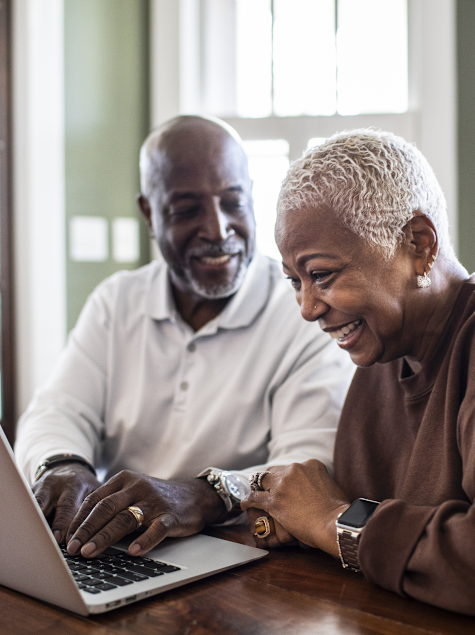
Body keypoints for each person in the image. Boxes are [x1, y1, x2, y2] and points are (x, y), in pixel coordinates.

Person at [15, 116, 353, 560]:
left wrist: (207, 494)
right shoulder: (117, 302)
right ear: (149, 215)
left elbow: (309, 468)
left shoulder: (304, 310)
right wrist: (63, 464)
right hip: (114, 551)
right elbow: (56, 412)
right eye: (187, 210)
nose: (217, 230)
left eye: (233, 202)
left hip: (241, 560)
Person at [242, 128, 475, 615]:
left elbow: (345, 521)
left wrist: (329, 521)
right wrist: (298, 522)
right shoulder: (381, 355)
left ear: (419, 244)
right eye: (294, 281)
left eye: (322, 275)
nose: (307, 308)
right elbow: (360, 526)